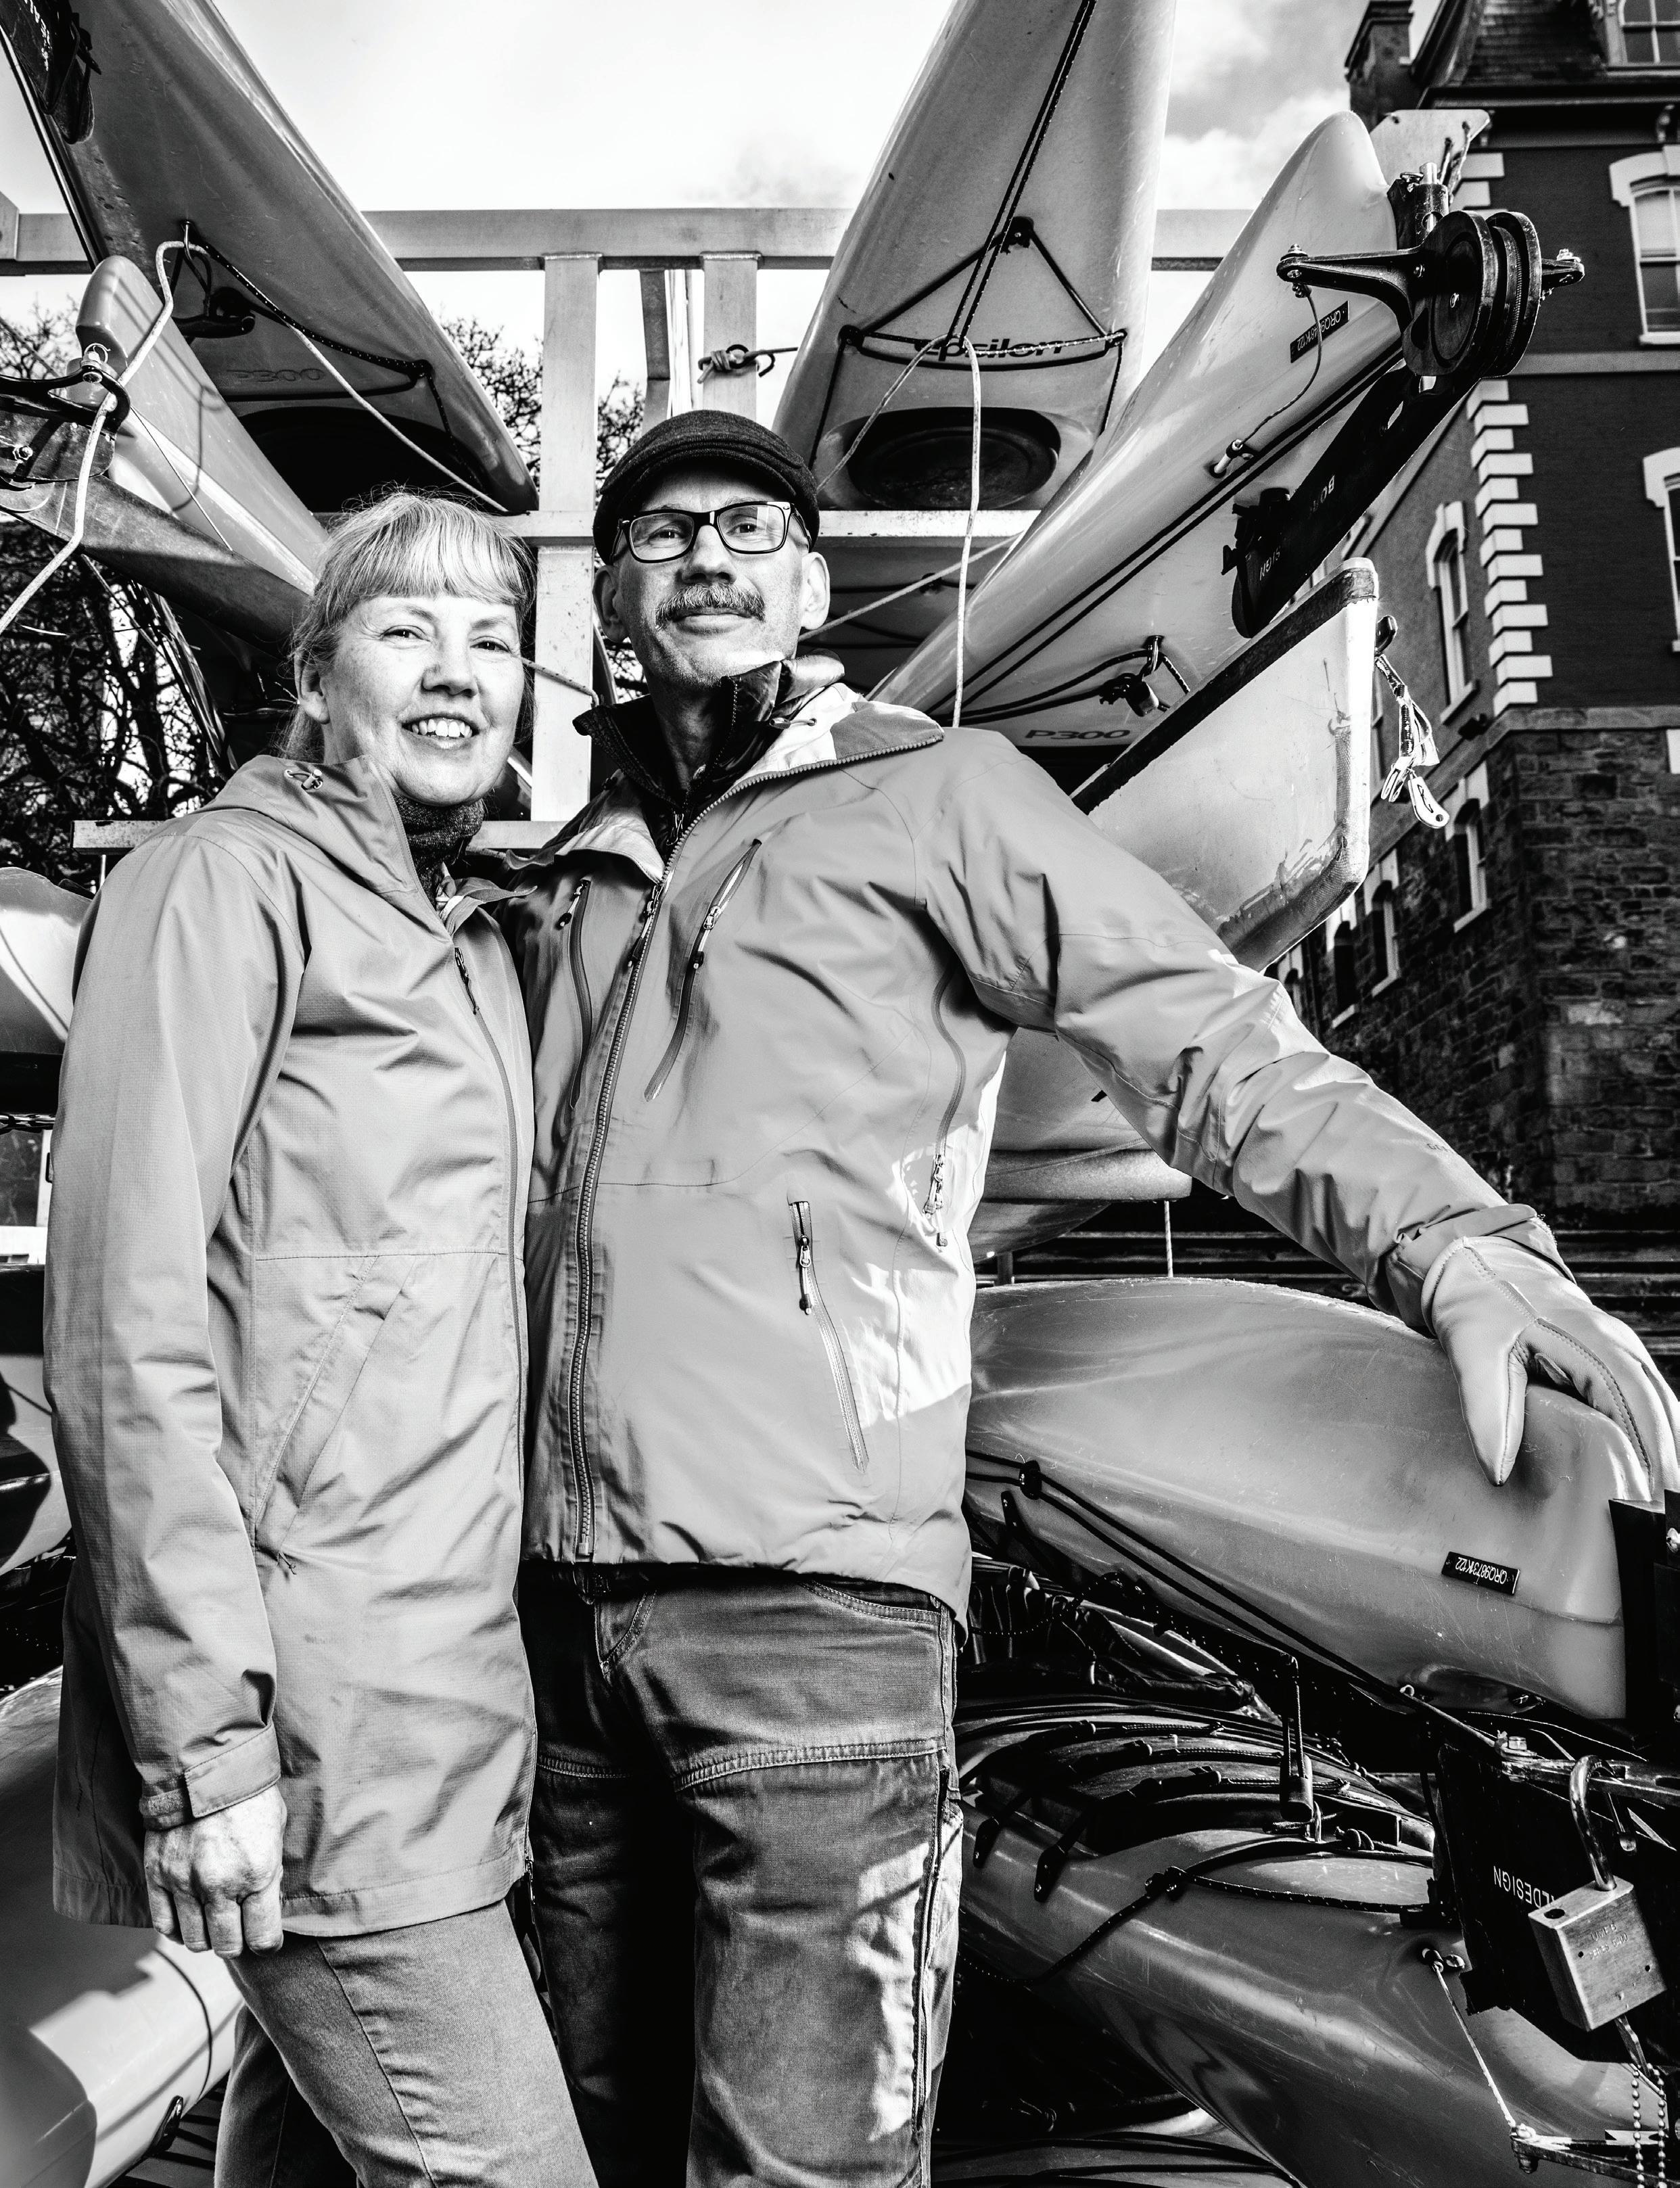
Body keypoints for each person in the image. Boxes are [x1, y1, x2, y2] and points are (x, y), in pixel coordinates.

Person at [499, 409, 1680, 2188]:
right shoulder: (570, 876)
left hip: (814, 1602)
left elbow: (1205, 1040)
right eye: (661, 535)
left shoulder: (937, 795)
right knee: (584, 2137)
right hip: (560, 1608)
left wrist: (1452, 1237)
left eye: (747, 526)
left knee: (804, 2163)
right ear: (614, 601)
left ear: (810, 587)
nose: (706, 558)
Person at [45, 493, 594, 2188]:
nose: (458, 669)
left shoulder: (465, 937)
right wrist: (204, 1747)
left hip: (452, 1689)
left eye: (492, 637)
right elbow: (121, 1328)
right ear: (315, 676)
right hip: (312, 1705)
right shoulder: (219, 882)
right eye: (405, 629)